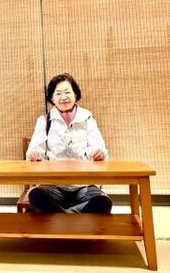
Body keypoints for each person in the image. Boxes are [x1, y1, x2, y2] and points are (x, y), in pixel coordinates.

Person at [25, 73, 113, 214]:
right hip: (53, 184)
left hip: (84, 184)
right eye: (58, 93)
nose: (63, 97)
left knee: (103, 202)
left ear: (75, 94)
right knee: (36, 196)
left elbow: (98, 147)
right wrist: (34, 154)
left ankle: (60, 217)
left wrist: (99, 153)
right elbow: (34, 150)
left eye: (67, 92)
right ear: (52, 98)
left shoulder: (87, 118)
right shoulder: (44, 120)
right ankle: (75, 218)